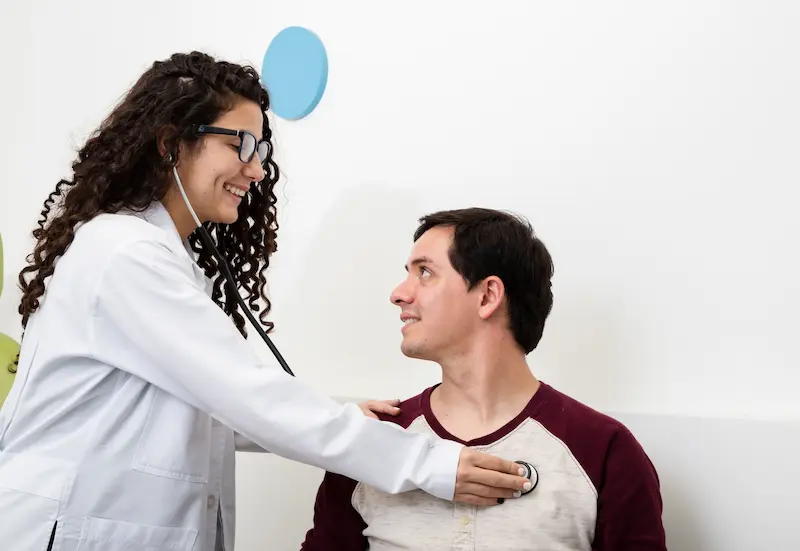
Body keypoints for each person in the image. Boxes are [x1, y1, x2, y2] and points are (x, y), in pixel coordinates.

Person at [0, 53, 531, 551]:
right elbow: (247, 397)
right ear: (170, 144)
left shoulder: (164, 261)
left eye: (260, 152)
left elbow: (197, 411)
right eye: (239, 146)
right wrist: (430, 464)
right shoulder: (123, 254)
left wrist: (337, 418)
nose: (255, 172)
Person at [300, 208, 667, 550]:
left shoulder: (605, 451)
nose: (399, 294)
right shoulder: (373, 440)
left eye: (424, 272)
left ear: (488, 295)